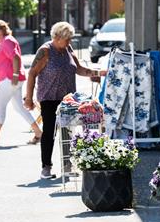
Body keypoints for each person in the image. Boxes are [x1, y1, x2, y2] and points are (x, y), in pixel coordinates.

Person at [24, 22, 106, 179]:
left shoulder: (68, 49)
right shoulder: (45, 51)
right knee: (49, 132)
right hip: (48, 98)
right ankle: (46, 167)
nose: (69, 42)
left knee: (68, 131)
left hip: (68, 99)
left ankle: (68, 166)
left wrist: (99, 73)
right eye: (67, 39)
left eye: (70, 39)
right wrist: (29, 98)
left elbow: (79, 69)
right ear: (56, 37)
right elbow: (32, 73)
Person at [0, 20, 42, 147]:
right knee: (19, 108)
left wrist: (15, 74)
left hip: (10, 79)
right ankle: (39, 133)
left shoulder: (7, 41)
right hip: (11, 79)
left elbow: (16, 57)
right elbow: (9, 60)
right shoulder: (6, 41)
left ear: (0, 31)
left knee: (0, 106)